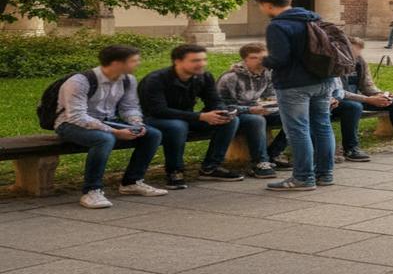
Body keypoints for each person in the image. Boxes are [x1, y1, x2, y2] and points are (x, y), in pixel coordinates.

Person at [53, 44, 167, 209]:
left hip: (108, 120)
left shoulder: (128, 80)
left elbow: (129, 107)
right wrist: (115, 132)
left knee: (152, 134)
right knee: (104, 139)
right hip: (70, 124)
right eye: (133, 61)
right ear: (116, 64)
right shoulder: (79, 81)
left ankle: (131, 183)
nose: (138, 64)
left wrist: (136, 124)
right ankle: (92, 191)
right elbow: (77, 116)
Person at [257, 0, 337, 191]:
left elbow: (280, 59)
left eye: (261, 6)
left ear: (268, 5)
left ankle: (303, 177)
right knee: (322, 126)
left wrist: (263, 60)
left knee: (298, 130)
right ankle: (325, 174)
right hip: (323, 80)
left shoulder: (278, 26)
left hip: (294, 84)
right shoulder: (313, 19)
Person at [138, 44, 245, 190]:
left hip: (186, 117)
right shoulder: (156, 79)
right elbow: (158, 110)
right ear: (178, 61)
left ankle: (210, 168)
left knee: (229, 121)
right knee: (177, 126)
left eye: (203, 59)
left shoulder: (204, 76)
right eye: (195, 60)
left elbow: (214, 100)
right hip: (154, 119)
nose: (201, 64)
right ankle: (174, 171)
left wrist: (221, 112)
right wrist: (200, 116)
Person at [217, 42, 290, 175]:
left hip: (257, 109)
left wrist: (270, 106)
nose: (261, 61)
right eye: (255, 58)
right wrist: (249, 109)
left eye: (264, 57)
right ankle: (260, 162)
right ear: (245, 60)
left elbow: (270, 96)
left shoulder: (267, 73)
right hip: (236, 113)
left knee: (294, 116)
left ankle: (273, 154)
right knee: (256, 120)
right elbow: (221, 105)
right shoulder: (230, 77)